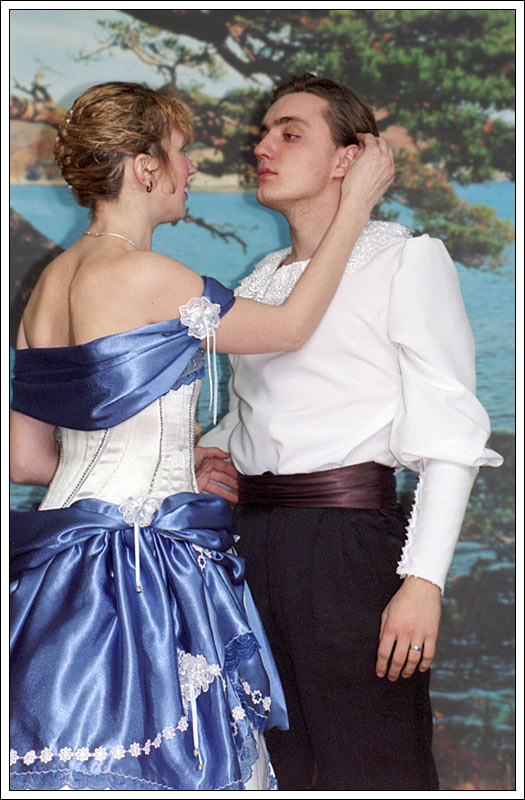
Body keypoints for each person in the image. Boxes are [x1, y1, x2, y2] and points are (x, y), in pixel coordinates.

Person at [9, 81, 394, 791]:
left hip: (59, 567)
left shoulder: (47, 286)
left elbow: (27, 459)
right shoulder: (149, 275)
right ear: (144, 168)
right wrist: (356, 208)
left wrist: (168, 454)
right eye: (180, 153)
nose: (191, 169)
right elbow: (290, 328)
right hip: (142, 568)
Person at [198, 74, 503, 790]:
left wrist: (422, 582)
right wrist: (205, 451)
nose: (262, 147)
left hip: (350, 548)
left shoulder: (405, 258)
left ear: (349, 158)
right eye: (264, 132)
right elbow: (254, 412)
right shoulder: (264, 279)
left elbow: (449, 437)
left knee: (372, 764)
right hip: (251, 547)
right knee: (280, 764)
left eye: (290, 133)